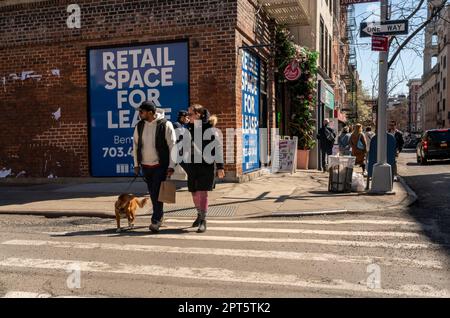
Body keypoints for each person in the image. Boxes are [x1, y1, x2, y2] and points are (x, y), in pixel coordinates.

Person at [133, 101, 177, 233]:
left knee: (157, 192)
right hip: (146, 166)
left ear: (151, 112)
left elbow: (172, 145)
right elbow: (135, 145)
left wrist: (171, 166)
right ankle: (160, 215)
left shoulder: (165, 124)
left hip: (160, 165)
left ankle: (156, 220)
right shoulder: (139, 126)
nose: (139, 114)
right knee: (153, 193)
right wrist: (136, 164)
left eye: (142, 112)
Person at [184, 104, 225, 233]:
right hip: (192, 165)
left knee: (202, 192)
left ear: (198, 115)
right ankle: (199, 213)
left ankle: (203, 220)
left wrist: (220, 167)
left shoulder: (210, 129)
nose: (187, 116)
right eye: (187, 114)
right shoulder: (189, 128)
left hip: (205, 165)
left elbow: (217, 148)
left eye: (190, 114)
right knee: (193, 191)